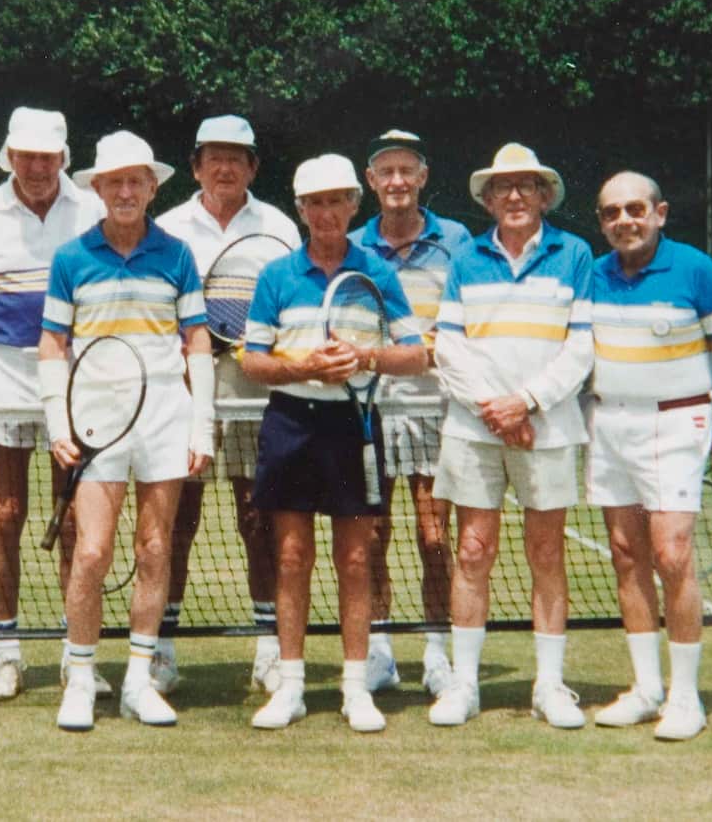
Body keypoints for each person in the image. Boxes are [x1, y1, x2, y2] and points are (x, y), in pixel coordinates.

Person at [242, 154, 427, 732]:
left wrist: (364, 358)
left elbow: (417, 353)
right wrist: (303, 368)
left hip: (355, 427)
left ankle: (355, 688)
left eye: (337, 201)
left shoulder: (378, 273)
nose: (327, 212)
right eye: (315, 203)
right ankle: (291, 686)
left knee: (356, 557)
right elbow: (252, 361)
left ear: (354, 205)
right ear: (301, 211)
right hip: (291, 424)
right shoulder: (276, 275)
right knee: (291, 557)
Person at [39, 130, 215, 731]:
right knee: (90, 552)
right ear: (97, 188)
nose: (125, 191)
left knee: (155, 546)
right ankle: (81, 677)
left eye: (136, 181)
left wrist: (202, 426)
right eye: (113, 181)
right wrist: (58, 423)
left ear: (152, 187)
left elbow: (197, 343)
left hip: (165, 414)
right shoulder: (71, 258)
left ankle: (139, 679)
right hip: (94, 420)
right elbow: (53, 345)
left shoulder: (178, 255)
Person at [0, 107, 109, 701]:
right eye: (26, 156)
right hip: (4, 377)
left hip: (74, 375)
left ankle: (76, 654)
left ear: (63, 158)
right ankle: (7, 651)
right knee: (7, 513)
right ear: (9, 157)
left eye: (47, 156)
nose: (37, 167)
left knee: (71, 518)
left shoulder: (93, 209)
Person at [429, 143, 594, 729]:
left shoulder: (575, 254)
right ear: (489, 198)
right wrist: (495, 409)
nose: (516, 196)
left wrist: (526, 402)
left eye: (527, 185)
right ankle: (464, 685)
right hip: (475, 430)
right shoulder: (466, 258)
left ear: (543, 195)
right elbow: (448, 346)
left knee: (546, 553)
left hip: (547, 429)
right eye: (505, 187)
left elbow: (581, 347)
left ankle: (549, 687)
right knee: (473, 551)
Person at [588, 171, 712, 741]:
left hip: (679, 421)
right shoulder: (594, 275)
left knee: (672, 554)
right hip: (608, 423)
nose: (624, 221)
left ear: (660, 212)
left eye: (635, 209)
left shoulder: (695, 268)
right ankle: (646, 687)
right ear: (602, 222)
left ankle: (685, 697)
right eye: (611, 213)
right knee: (627, 553)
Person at [153, 115, 302, 696]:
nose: (225, 167)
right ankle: (160, 648)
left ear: (254, 167)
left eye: (237, 157)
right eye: (214, 156)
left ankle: (269, 647)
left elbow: (295, 301)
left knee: (256, 515)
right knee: (176, 519)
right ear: (195, 166)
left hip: (256, 393)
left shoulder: (280, 227)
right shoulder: (165, 227)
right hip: (182, 389)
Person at [348, 129, 474, 696]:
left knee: (434, 536)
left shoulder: (459, 242)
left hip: (437, 408)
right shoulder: (351, 245)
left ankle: (437, 651)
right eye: (385, 173)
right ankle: (378, 650)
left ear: (422, 177)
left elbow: (471, 319)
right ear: (371, 182)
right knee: (371, 534)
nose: (397, 182)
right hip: (368, 409)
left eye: (407, 171)